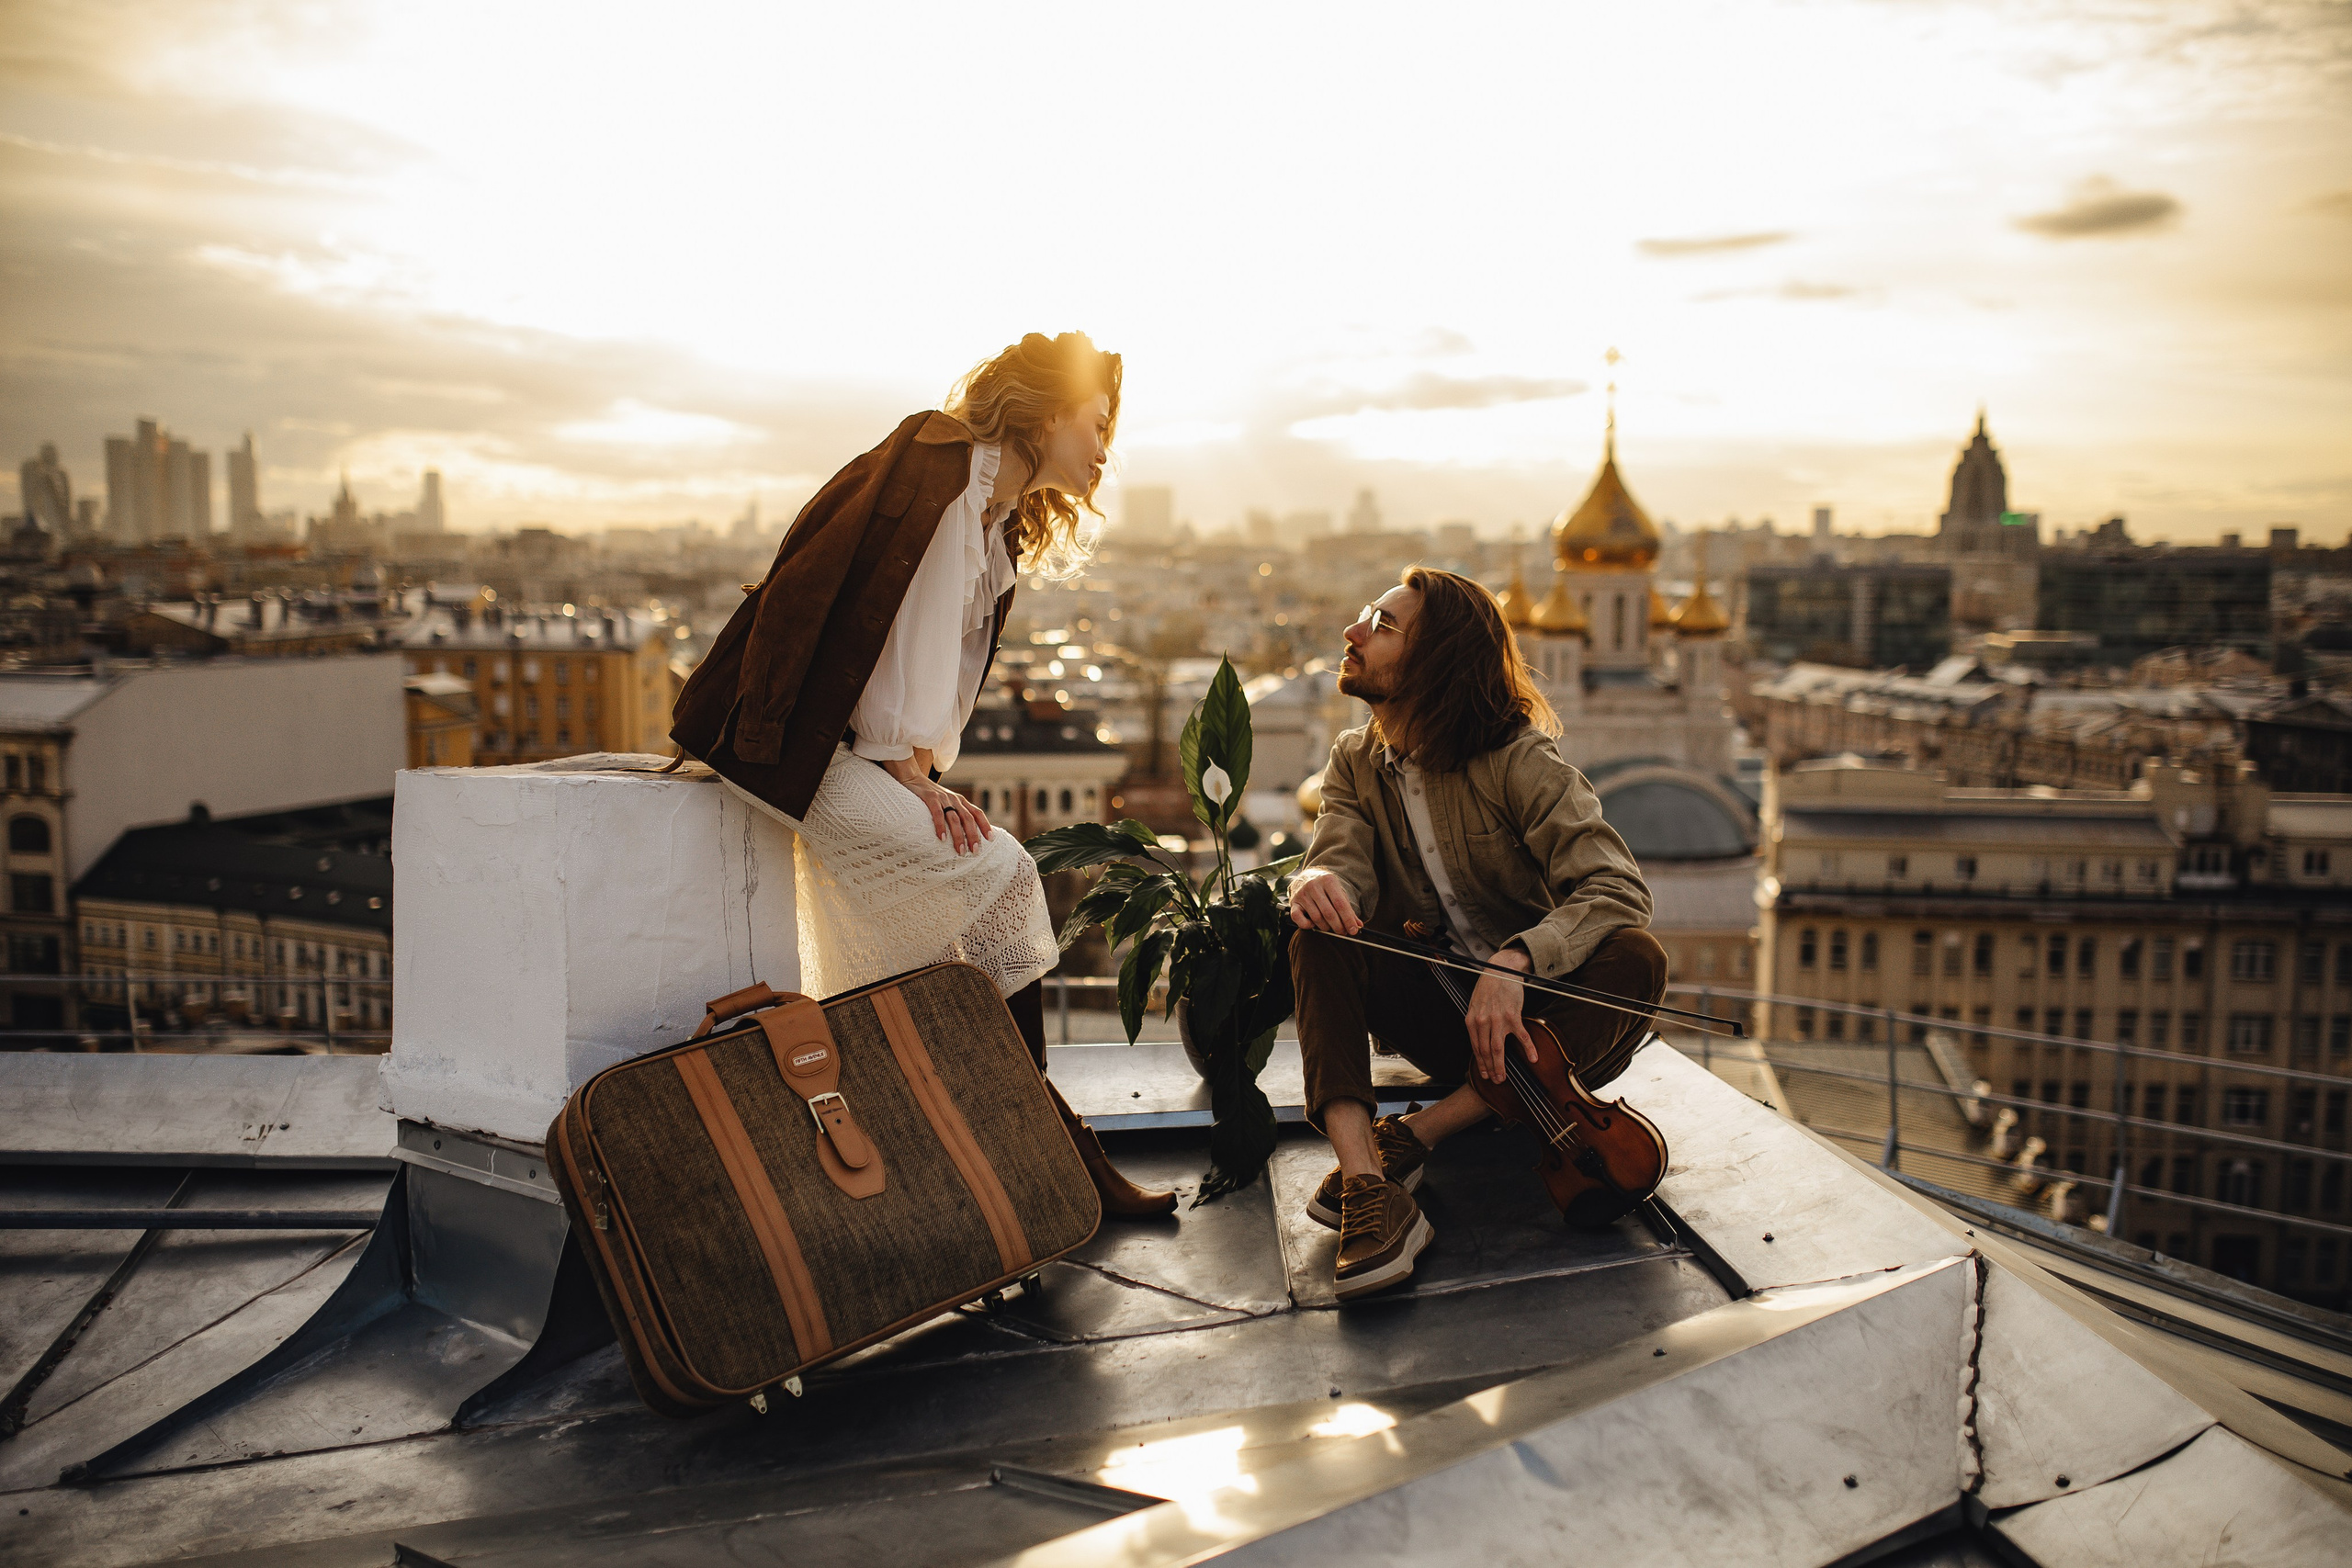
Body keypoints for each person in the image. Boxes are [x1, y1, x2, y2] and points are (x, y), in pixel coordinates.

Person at [672, 332, 1173, 1216]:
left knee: (947, 942)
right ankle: (1051, 1147)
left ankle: (1013, 1152)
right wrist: (913, 774)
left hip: (841, 748)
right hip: (794, 750)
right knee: (1004, 876)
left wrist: (915, 770)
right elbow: (886, 651)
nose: (1105, 449)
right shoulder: (950, 477)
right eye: (1097, 424)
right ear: (1049, 413)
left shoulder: (989, 509)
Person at [1286, 567, 1667, 1298]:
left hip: (1547, 1033)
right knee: (1317, 931)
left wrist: (1517, 961)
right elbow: (1339, 860)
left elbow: (1617, 887)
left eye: (1384, 625)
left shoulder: (1520, 760)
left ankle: (1419, 1134)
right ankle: (1370, 1186)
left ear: (1436, 662)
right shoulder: (1353, 761)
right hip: (1441, 1016)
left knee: (1638, 958)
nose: (1353, 631)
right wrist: (1313, 881)